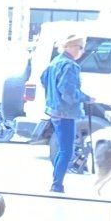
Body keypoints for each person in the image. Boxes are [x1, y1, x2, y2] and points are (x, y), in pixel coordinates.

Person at [40, 32, 88, 194]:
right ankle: (57, 184)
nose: (82, 51)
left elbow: (43, 79)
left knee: (63, 148)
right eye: (80, 47)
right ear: (71, 47)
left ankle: (56, 181)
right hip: (66, 113)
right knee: (67, 151)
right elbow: (68, 93)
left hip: (54, 111)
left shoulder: (55, 62)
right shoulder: (70, 66)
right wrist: (85, 98)